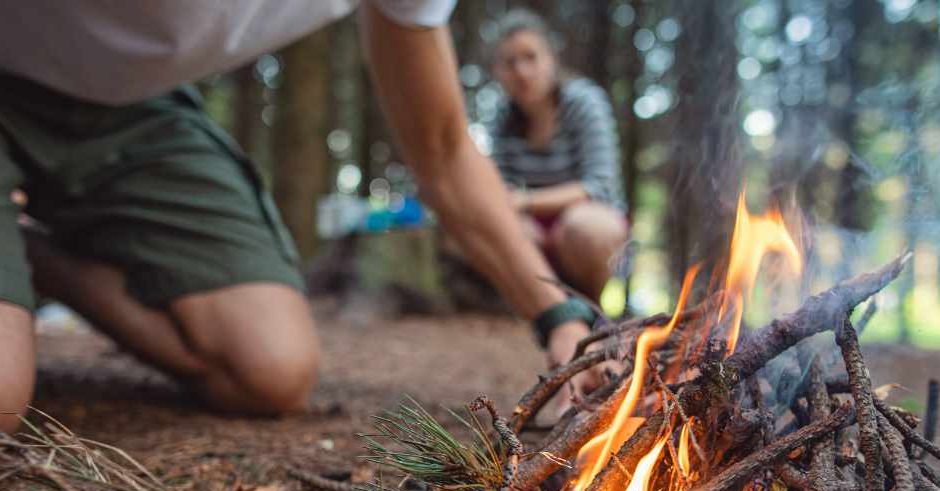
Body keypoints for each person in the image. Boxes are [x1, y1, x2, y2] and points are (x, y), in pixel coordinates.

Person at [0, 1, 606, 434]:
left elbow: (445, 151)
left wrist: (557, 314)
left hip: (133, 108)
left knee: (270, 369)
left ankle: (29, 256)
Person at [488, 9, 630, 302]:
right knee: (501, 231)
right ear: (498, 72)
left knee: (585, 229)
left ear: (551, 59)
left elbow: (599, 186)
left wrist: (527, 202)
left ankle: (591, 310)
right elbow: (504, 189)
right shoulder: (503, 118)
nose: (521, 71)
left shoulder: (583, 102)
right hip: (534, 230)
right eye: (510, 62)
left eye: (531, 57)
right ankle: (545, 311)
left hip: (588, 224)